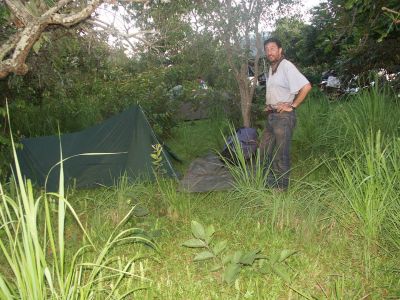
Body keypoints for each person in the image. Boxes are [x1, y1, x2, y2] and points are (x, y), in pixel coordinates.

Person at [260, 37, 312, 191]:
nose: (269, 52)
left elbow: (306, 86)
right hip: (272, 115)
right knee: (263, 151)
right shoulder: (272, 68)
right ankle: (267, 183)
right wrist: (270, 105)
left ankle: (281, 188)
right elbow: (279, 90)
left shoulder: (286, 66)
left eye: (272, 48)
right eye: (267, 49)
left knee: (280, 154)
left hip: (283, 118)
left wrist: (293, 105)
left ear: (280, 50)